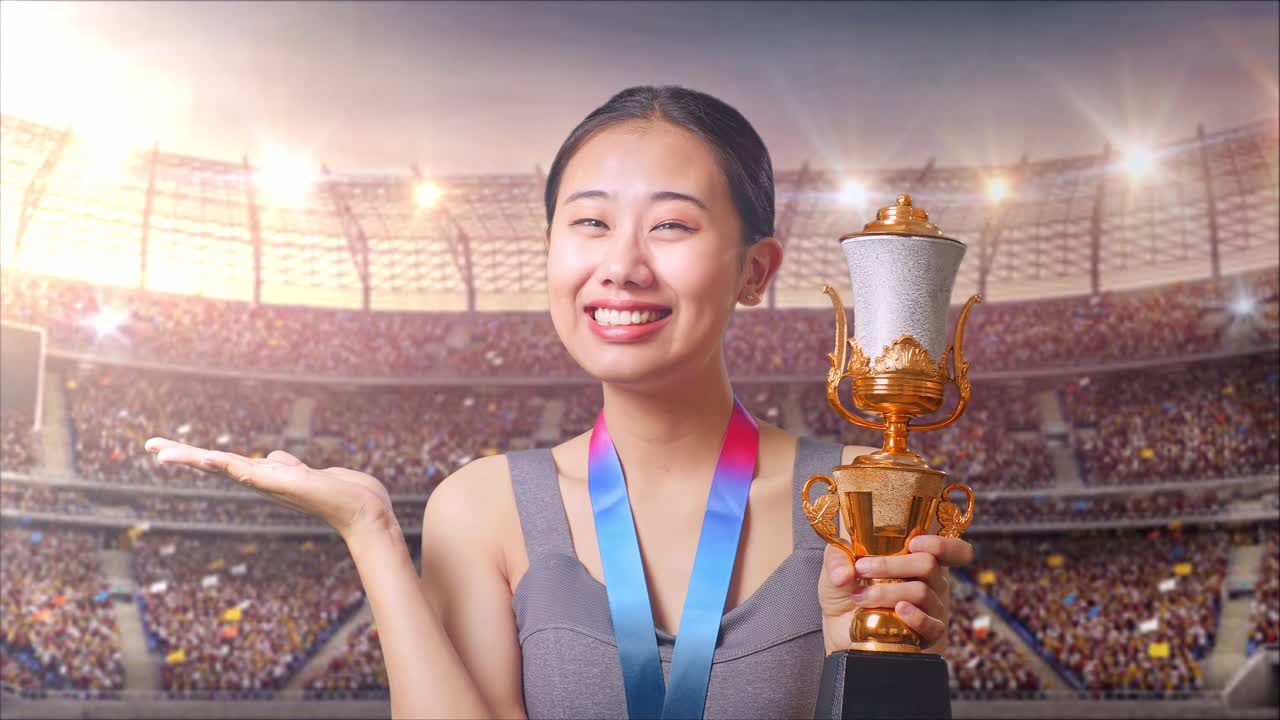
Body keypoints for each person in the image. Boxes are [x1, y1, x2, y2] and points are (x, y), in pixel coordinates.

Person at [144, 85, 973, 719]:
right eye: (589, 224)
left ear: (756, 270)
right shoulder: (484, 508)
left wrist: (868, 662)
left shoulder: (863, 500)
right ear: (550, 252)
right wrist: (369, 531)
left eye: (672, 227)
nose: (622, 265)